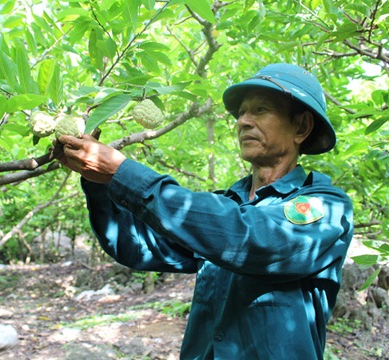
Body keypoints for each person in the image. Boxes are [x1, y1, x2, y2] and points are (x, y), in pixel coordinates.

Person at [55, 63, 354, 359]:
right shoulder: (224, 206)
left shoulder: (326, 206)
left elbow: (252, 239)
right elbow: (134, 246)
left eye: (261, 109)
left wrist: (124, 172)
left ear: (301, 127)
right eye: (241, 113)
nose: (243, 121)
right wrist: (99, 180)